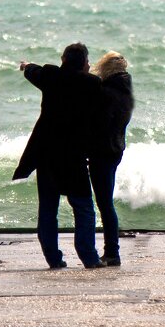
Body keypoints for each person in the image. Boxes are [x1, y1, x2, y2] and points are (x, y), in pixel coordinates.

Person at [13, 42, 104, 269]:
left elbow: (33, 70)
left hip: (47, 155)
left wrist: (25, 65)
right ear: (84, 63)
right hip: (74, 156)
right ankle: (89, 258)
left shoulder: (51, 76)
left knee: (47, 210)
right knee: (83, 208)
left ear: (63, 60)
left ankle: (54, 260)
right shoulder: (92, 83)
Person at [89, 50, 134, 267]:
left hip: (103, 152)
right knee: (106, 203)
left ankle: (112, 252)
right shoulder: (124, 91)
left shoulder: (107, 92)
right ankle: (111, 251)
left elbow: (99, 124)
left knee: (104, 204)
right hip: (116, 149)